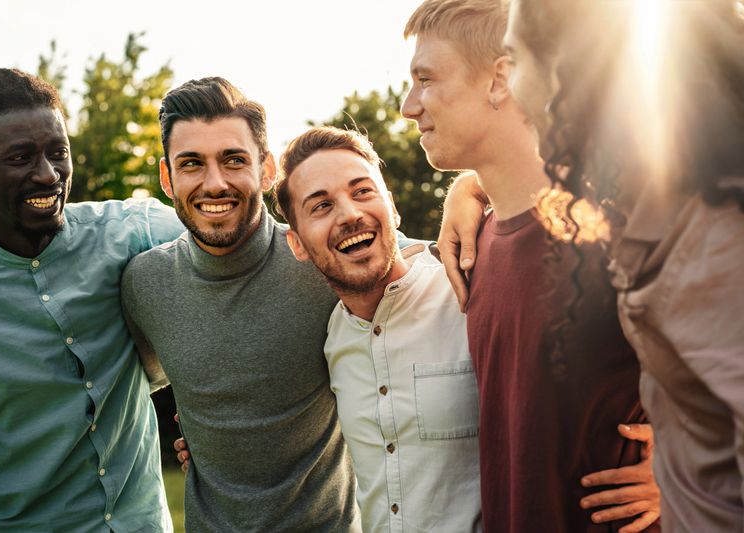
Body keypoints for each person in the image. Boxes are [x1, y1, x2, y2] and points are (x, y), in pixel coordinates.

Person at [401, 0, 660, 531]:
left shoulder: (621, 234)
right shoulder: (475, 246)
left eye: (425, 79)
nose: (409, 106)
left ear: (500, 79)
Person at [502, 0, 744, 530]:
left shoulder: (715, 246)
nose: (508, 86)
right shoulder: (657, 213)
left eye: (513, 59)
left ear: (572, 70)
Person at [0, 68, 181, 531]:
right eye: (21, 158)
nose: (48, 175)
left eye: (59, 153)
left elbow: (237, 248)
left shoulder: (131, 232)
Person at [120, 77, 360, 532]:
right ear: (167, 178)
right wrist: (0, 440)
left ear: (267, 170)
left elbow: (417, 258)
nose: (214, 184)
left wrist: (469, 193)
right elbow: (120, 388)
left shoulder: (327, 259)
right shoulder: (143, 284)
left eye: (233, 160)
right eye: (191, 164)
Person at [273, 126, 481, 532]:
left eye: (363, 191)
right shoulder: (332, 338)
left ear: (393, 208)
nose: (350, 214)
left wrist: (470, 183)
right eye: (321, 206)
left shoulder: (467, 293)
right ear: (297, 244)